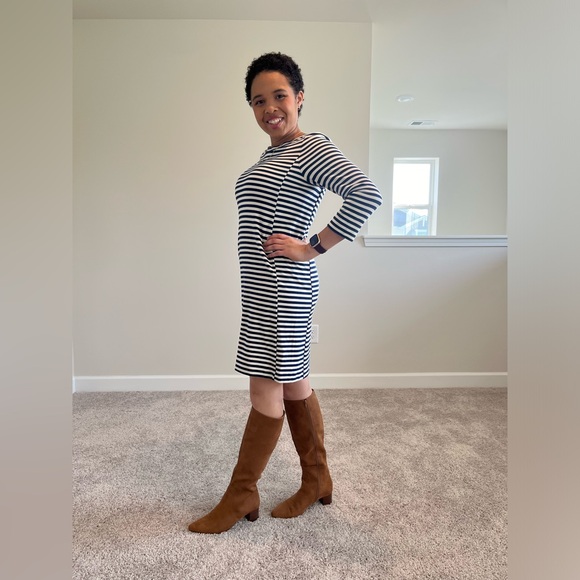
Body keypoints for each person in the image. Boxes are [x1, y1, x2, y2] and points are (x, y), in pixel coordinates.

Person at [188, 52, 382, 534]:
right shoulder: (271, 156)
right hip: (266, 290)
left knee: (264, 386)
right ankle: (317, 479)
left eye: (279, 96)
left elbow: (366, 194)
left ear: (299, 97)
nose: (269, 108)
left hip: (282, 289)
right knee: (294, 383)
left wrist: (311, 247)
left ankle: (241, 494)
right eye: (258, 101)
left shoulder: (309, 147)